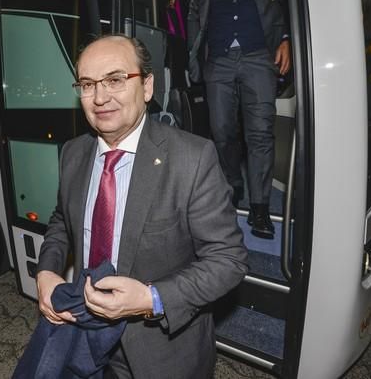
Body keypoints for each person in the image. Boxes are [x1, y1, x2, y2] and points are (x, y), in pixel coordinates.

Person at [36, 34, 248, 378]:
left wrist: (151, 298)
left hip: (160, 352)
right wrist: (47, 270)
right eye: (88, 84)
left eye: (116, 80)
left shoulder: (192, 158)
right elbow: (62, 221)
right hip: (81, 328)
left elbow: (228, 261)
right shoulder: (73, 153)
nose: (100, 97)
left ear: (147, 86)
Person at [187, 0, 291, 238]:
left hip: (259, 55)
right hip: (218, 61)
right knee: (222, 131)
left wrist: (287, 37)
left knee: (259, 132)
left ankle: (260, 207)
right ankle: (232, 186)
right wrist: (197, 58)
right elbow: (194, 16)